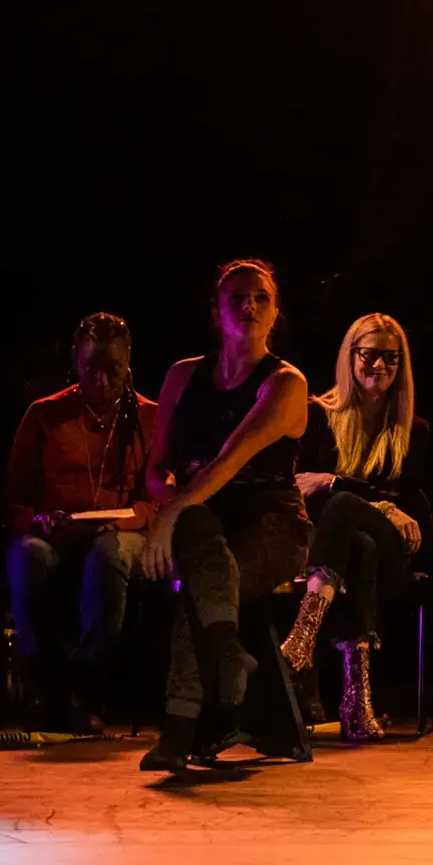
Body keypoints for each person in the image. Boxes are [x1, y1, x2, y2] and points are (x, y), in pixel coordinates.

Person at [137, 260, 315, 770]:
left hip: (273, 523)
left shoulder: (284, 382)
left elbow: (228, 460)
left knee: (204, 578)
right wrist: (167, 506)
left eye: (260, 296)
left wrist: (168, 516)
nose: (248, 305)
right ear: (216, 311)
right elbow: (156, 467)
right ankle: (226, 654)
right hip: (201, 518)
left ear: (276, 311)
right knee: (201, 546)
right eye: (236, 296)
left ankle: (179, 726)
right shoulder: (182, 375)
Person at [279, 313, 433, 742]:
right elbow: (299, 489)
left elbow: (402, 500)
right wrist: (382, 504)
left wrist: (337, 483)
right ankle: (356, 702)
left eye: (391, 357)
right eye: (370, 354)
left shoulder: (414, 430)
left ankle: (304, 633)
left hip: (398, 550)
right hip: (339, 547)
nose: (379, 365)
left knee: (348, 506)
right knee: (359, 545)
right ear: (351, 357)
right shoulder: (318, 415)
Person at [5, 313, 158, 734]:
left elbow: (160, 497)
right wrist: (37, 520)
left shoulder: (150, 418)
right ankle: (45, 688)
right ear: (76, 359)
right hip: (57, 535)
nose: (104, 381)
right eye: (93, 368)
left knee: (108, 555)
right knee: (26, 555)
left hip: (122, 534)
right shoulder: (45, 415)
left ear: (129, 364)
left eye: (114, 371)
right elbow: (14, 500)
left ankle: (85, 691)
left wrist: (127, 520)